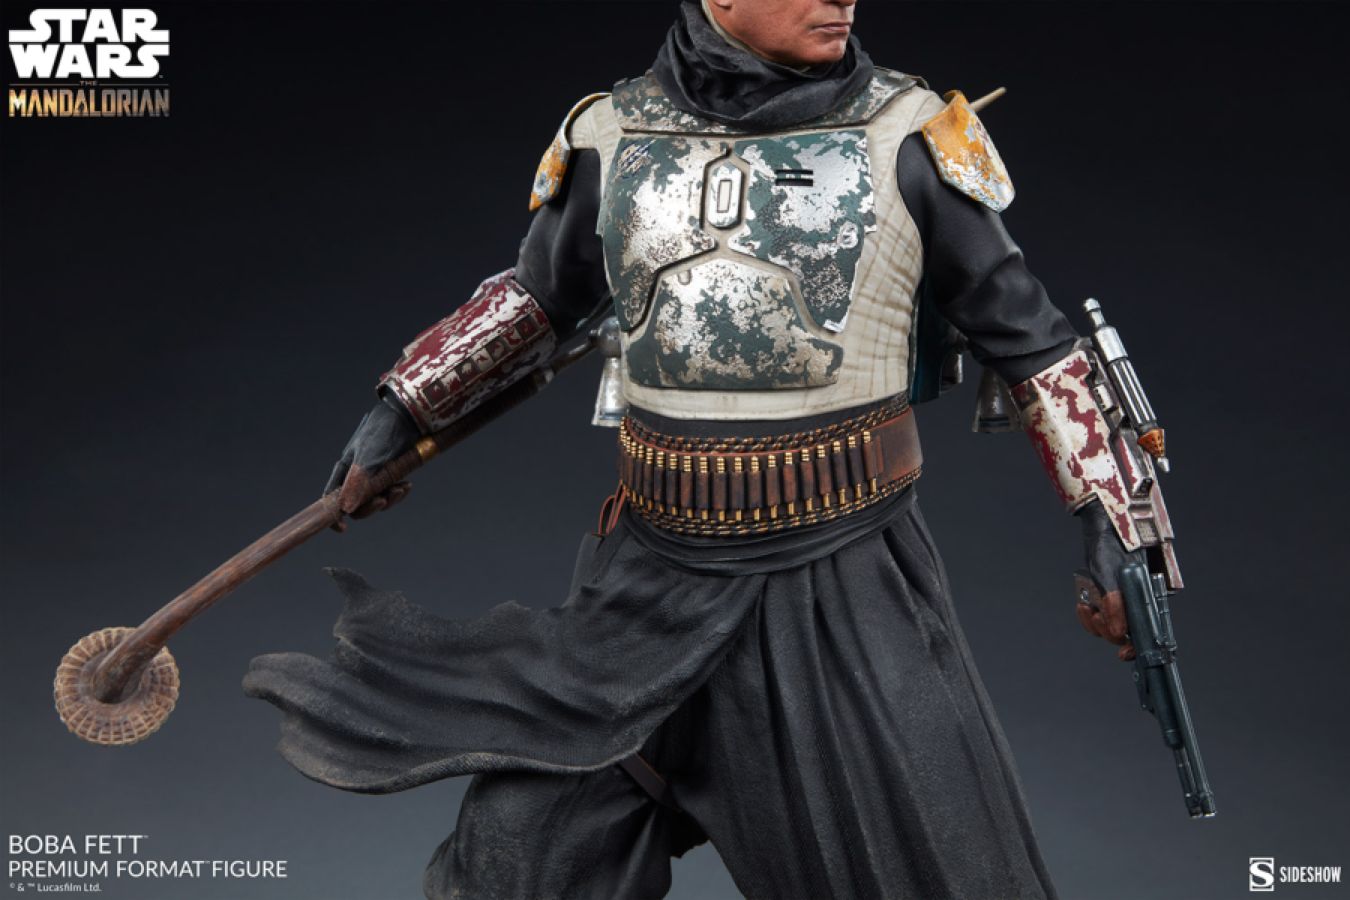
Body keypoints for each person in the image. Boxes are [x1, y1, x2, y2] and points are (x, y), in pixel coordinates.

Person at [244, 0, 1179, 897]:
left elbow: (1033, 342)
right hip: (644, 588)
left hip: (845, 580)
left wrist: (1117, 521)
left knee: (933, 870)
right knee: (518, 864)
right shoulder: (613, 133)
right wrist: (406, 405)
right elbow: (539, 298)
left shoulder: (907, 134)